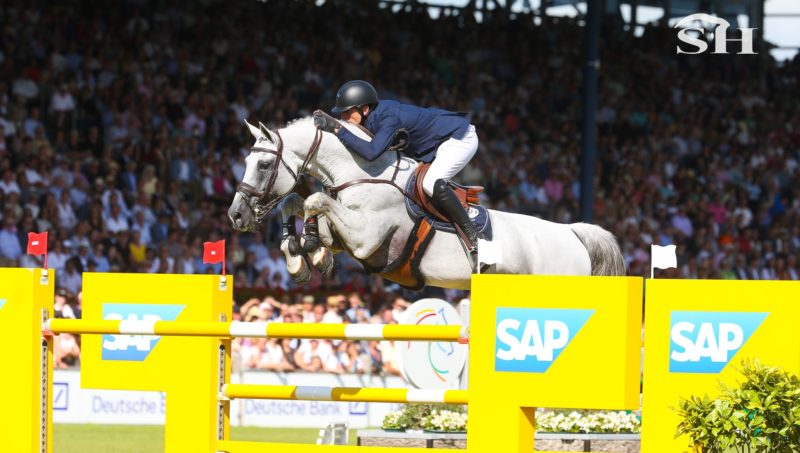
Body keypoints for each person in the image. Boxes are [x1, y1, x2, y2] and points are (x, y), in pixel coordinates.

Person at [313, 80, 479, 252]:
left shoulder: (387, 117)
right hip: (435, 145)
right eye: (341, 115)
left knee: (430, 183)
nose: (343, 119)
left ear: (365, 109)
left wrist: (338, 130)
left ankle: (472, 233)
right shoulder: (370, 117)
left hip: (458, 138)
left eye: (347, 113)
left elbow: (371, 153)